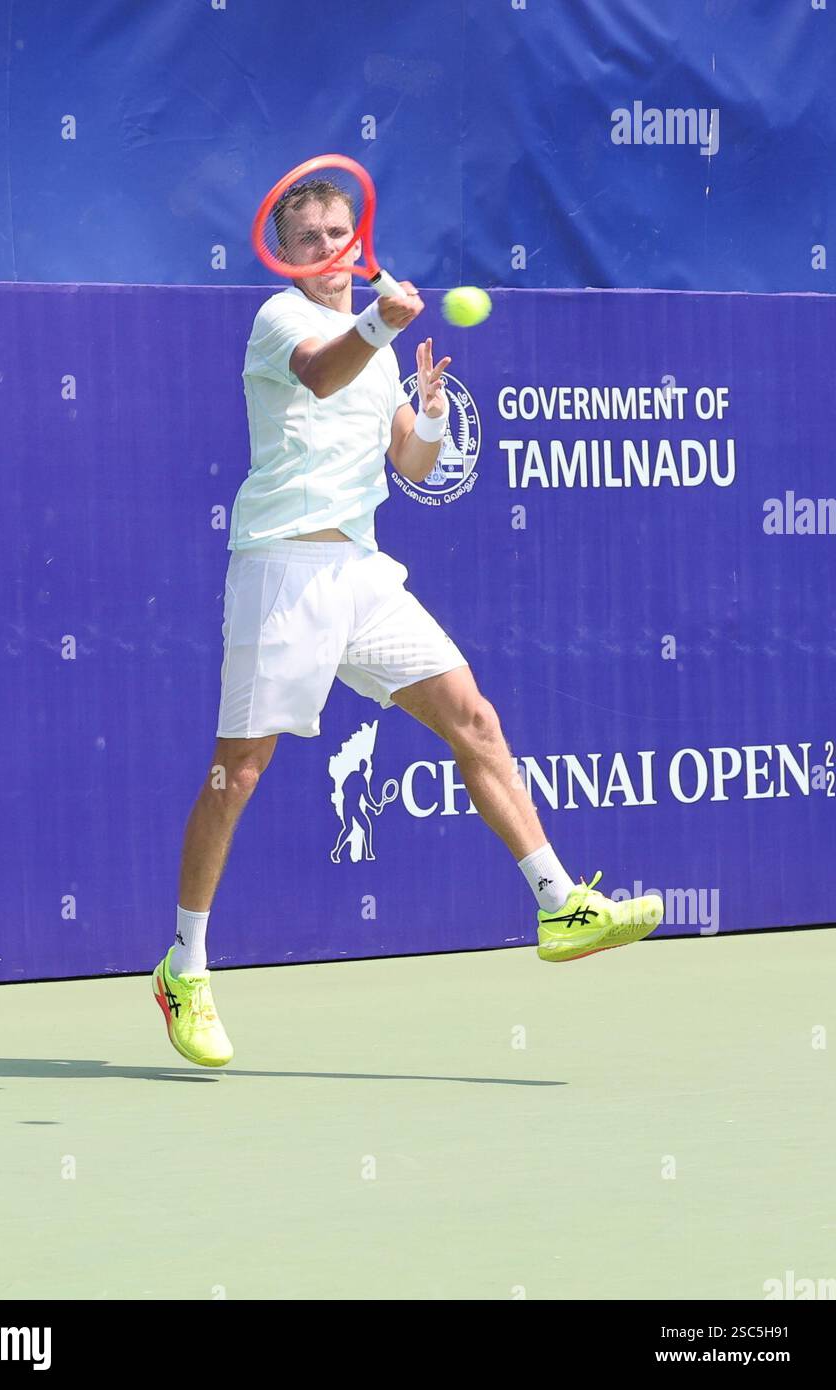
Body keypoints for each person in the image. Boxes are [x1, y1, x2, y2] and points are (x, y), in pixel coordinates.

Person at [152, 179, 663, 1067]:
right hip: (281, 571)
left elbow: (411, 461)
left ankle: (559, 904)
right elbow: (321, 372)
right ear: (282, 253)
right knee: (238, 773)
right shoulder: (281, 321)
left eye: (339, 234)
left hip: (362, 571)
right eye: (307, 238)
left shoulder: (377, 346)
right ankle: (183, 970)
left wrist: (426, 413)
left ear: (360, 237)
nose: (327, 250)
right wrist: (381, 325)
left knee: (476, 720)